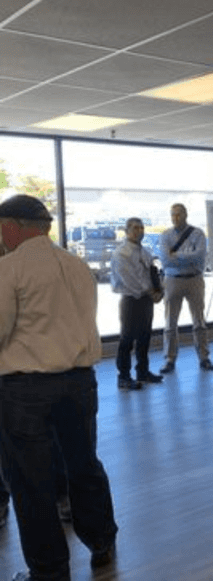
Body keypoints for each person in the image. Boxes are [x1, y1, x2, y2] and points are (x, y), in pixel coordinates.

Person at [0, 194, 118, 580]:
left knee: (30, 480)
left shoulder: (9, 268)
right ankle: (102, 540)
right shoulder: (77, 265)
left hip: (26, 390)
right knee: (83, 464)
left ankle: (49, 570)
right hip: (80, 382)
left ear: (12, 226)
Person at [158, 203, 213, 374]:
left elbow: (199, 256)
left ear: (185, 215)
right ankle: (169, 359)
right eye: (173, 215)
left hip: (194, 279)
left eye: (178, 214)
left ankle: (204, 357)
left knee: (199, 322)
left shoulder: (198, 234)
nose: (175, 218)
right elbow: (165, 259)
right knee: (170, 323)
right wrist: (187, 257)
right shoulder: (165, 235)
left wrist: (176, 256)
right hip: (172, 280)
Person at [110, 217, 164, 390]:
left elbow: (150, 273)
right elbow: (130, 280)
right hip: (131, 300)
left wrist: (158, 290)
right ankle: (123, 376)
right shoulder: (122, 253)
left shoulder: (144, 251)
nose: (139, 231)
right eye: (134, 228)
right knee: (127, 339)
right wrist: (150, 292)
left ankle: (143, 371)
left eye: (141, 228)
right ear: (126, 231)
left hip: (146, 300)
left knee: (144, 337)